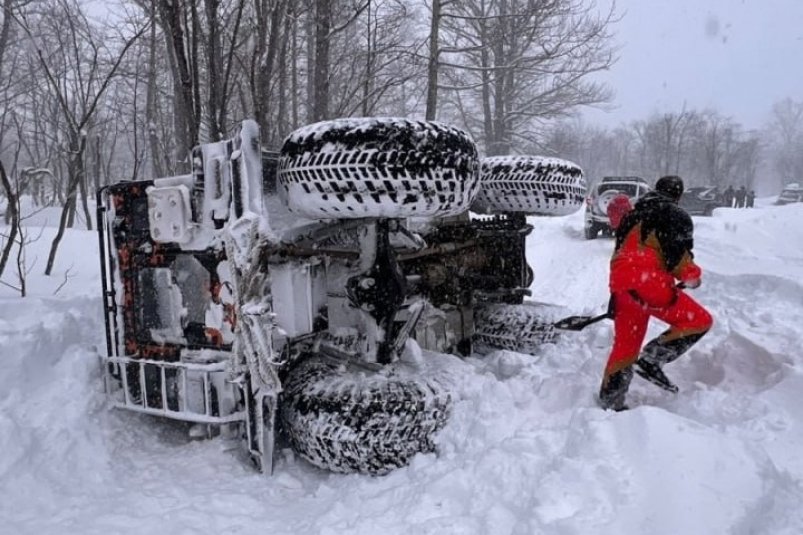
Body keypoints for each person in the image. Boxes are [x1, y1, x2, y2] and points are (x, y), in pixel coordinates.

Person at [599, 175, 714, 411]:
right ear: (679, 195)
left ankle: (610, 401)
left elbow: (620, 253)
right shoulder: (675, 215)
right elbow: (677, 258)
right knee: (699, 321)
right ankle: (652, 359)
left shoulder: (632, 214)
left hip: (621, 286)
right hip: (649, 284)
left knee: (625, 346)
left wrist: (618, 296)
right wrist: (692, 277)